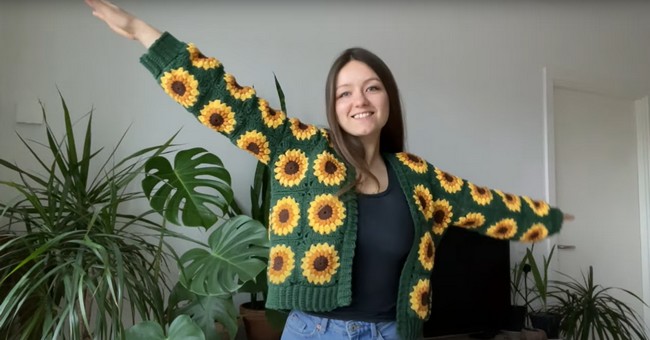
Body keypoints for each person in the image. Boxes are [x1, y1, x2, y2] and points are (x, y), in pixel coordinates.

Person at [85, 1, 572, 339]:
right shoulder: (299, 149)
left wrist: (551, 219)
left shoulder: (418, 177)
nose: (359, 100)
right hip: (316, 333)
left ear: (388, 99)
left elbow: (481, 205)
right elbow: (222, 98)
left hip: (394, 333)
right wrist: (139, 31)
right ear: (333, 105)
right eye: (345, 92)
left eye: (372, 88)